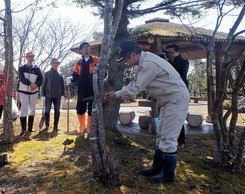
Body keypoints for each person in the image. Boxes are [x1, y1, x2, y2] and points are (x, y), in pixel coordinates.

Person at [106, 40, 190, 183]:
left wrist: (118, 94)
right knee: (161, 134)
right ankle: (157, 168)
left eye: (126, 58)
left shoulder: (149, 64)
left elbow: (137, 88)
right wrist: (118, 93)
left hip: (176, 100)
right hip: (167, 101)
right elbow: (135, 83)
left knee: (168, 138)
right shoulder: (143, 62)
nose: (126, 62)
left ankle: (168, 175)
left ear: (133, 54)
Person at [69, 42, 99, 134]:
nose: (86, 49)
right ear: (81, 51)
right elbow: (74, 76)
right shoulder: (78, 63)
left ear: (90, 48)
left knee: (91, 108)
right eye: (84, 47)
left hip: (93, 89)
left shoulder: (96, 60)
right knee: (80, 108)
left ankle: (89, 126)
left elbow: (103, 73)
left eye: (87, 47)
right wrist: (70, 78)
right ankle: (81, 126)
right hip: (82, 89)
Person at [166, 44, 189, 149]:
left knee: (178, 117)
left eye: (171, 52)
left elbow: (180, 73)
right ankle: (171, 139)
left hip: (180, 92)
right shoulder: (167, 63)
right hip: (169, 92)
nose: (169, 55)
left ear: (177, 52)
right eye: (168, 52)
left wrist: (167, 63)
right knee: (169, 117)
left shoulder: (184, 62)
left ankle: (181, 141)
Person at [18, 52, 43, 135]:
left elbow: (40, 79)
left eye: (32, 57)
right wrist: (30, 83)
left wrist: (36, 85)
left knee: (32, 109)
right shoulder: (21, 67)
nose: (31, 58)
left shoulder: (37, 69)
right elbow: (21, 78)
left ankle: (30, 128)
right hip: (23, 92)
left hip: (34, 92)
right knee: (23, 109)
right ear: (26, 57)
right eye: (29, 57)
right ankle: (23, 129)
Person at [41, 58, 65, 131]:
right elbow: (43, 85)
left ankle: (55, 126)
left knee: (57, 111)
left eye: (56, 63)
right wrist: (42, 95)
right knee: (47, 111)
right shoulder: (47, 74)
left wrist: (63, 95)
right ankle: (47, 125)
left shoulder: (60, 75)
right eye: (54, 63)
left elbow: (62, 86)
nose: (55, 64)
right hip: (48, 96)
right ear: (51, 64)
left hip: (58, 96)